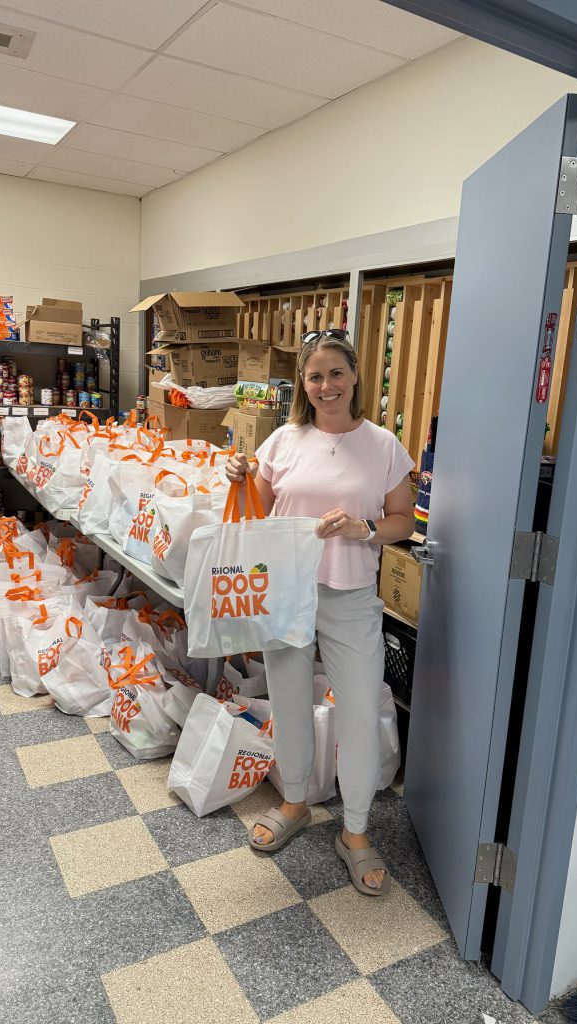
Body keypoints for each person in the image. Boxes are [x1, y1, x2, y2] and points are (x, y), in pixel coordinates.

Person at [226, 329, 415, 895]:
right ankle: (295, 802)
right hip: (286, 590)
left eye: (336, 373)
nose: (326, 385)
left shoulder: (383, 446)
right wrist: (239, 479)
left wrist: (366, 529)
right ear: (303, 385)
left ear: (355, 376)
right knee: (288, 697)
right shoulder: (283, 441)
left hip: (351, 593)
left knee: (358, 708)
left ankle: (355, 831)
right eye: (315, 376)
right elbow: (257, 508)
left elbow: (403, 519)